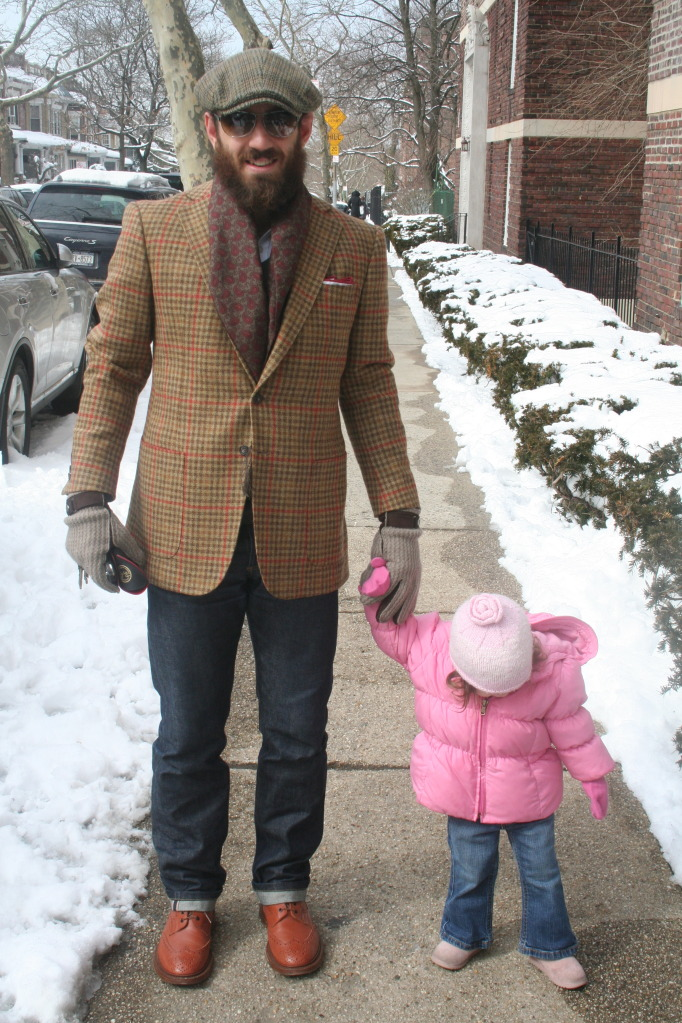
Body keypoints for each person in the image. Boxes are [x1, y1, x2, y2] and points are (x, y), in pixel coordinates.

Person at [63, 48, 421, 985]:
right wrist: (88, 496)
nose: (261, 140)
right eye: (242, 124)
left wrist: (400, 513)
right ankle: (189, 897)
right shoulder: (153, 231)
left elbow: (371, 384)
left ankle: (282, 886)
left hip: (301, 527)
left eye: (278, 123)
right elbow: (111, 366)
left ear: (303, 131)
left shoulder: (353, 247)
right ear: (215, 132)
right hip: (183, 526)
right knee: (189, 729)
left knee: (300, 729)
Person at [359, 574, 615, 990]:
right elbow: (394, 634)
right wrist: (378, 600)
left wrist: (592, 774)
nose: (489, 694)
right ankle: (464, 932)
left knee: (541, 873)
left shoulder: (551, 670)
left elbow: (574, 727)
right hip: (463, 794)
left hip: (528, 797)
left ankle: (549, 945)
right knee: (470, 868)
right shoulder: (433, 648)